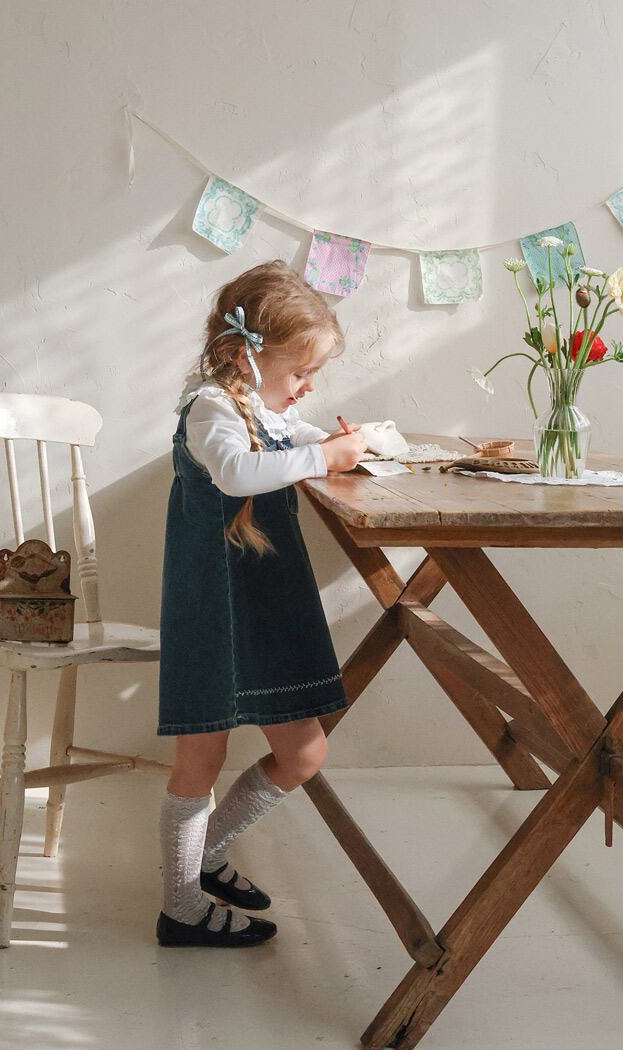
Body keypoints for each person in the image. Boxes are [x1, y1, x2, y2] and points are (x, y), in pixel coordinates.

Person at [156, 258, 368, 948]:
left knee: (304, 753)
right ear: (246, 355)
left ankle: (203, 858)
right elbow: (236, 471)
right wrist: (325, 458)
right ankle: (181, 909)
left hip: (266, 608)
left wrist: (343, 444)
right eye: (300, 371)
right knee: (201, 759)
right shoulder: (210, 409)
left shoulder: (262, 408)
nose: (308, 386)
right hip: (215, 612)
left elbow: (295, 436)